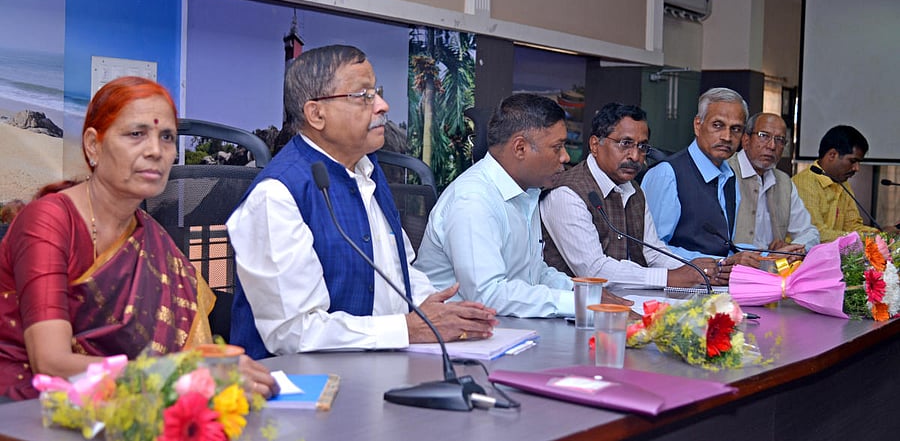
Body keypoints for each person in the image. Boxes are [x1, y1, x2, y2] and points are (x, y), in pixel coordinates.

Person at [0, 77, 277, 401]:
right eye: (136, 134)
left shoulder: (152, 236)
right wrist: (185, 375)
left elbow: (193, 351)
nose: (156, 151)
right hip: (31, 411)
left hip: (134, 409)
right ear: (93, 145)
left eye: (167, 137)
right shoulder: (48, 223)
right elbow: (50, 363)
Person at [227, 45, 496, 359]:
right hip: (301, 390)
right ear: (316, 114)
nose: (382, 105)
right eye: (363, 95)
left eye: (376, 91)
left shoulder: (367, 170)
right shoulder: (276, 195)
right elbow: (293, 333)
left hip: (380, 368)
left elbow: (398, 272)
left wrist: (442, 311)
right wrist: (408, 329)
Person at [416, 93, 583, 317]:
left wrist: (581, 292)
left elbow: (532, 273)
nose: (565, 157)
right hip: (454, 341)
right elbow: (488, 295)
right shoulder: (473, 200)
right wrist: (581, 306)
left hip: (504, 329)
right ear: (520, 148)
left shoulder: (527, 192)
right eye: (557, 147)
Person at [541, 103, 725, 289]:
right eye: (625, 144)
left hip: (628, 301)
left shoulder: (634, 190)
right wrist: (668, 278)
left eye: (642, 146)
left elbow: (653, 252)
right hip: (575, 310)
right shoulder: (566, 193)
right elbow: (594, 270)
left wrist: (697, 272)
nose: (636, 156)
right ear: (595, 145)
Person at [641, 87, 759, 270]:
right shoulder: (668, 174)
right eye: (718, 125)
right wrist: (719, 263)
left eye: (735, 129)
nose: (727, 137)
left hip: (714, 288)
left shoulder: (729, 176)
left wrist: (767, 256)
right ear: (698, 125)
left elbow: (722, 246)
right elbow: (652, 251)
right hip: (671, 291)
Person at [728, 113, 819, 254]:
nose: (772, 146)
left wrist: (791, 249)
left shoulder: (784, 182)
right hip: (731, 269)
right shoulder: (726, 173)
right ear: (746, 140)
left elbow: (809, 232)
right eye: (764, 136)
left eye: (780, 140)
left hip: (772, 268)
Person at [792, 125, 897, 242]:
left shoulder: (842, 183)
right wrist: (873, 237)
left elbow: (852, 226)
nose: (857, 168)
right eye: (852, 161)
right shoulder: (804, 184)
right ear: (832, 155)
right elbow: (817, 235)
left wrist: (881, 233)